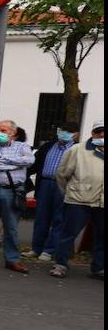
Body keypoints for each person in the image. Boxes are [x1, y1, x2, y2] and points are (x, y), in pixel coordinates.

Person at [51, 120, 104, 280]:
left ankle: (99, 268)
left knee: (102, 236)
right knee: (68, 234)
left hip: (102, 202)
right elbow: (61, 175)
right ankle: (60, 264)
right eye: (98, 131)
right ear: (92, 133)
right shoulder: (77, 150)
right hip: (78, 200)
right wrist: (71, 192)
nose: (102, 134)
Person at [25, 121, 80, 262]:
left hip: (64, 186)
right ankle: (36, 248)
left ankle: (49, 251)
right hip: (45, 184)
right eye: (62, 130)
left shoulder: (77, 149)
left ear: (75, 135)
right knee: (41, 218)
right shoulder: (48, 146)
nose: (63, 133)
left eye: (68, 131)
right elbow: (34, 165)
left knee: (59, 219)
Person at [0, 119, 34, 274]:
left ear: (13, 133)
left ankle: (12, 259)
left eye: (4, 131)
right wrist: (16, 164)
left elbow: (29, 160)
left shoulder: (22, 146)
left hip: (12, 191)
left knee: (11, 227)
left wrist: (5, 161)